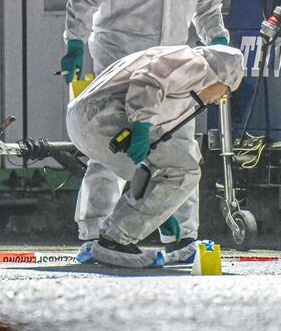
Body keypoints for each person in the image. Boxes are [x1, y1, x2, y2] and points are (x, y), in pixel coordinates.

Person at [61, 0, 229, 258]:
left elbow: (209, 9)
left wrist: (218, 44)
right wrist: (75, 41)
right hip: (120, 62)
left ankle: (183, 241)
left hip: (172, 68)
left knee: (181, 146)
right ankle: (95, 234)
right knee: (114, 147)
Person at [67, 45, 244, 268]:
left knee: (158, 171)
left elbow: (148, 173)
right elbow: (148, 78)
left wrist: (158, 212)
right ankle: (114, 240)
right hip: (103, 117)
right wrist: (141, 125)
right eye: (226, 92)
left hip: (88, 121)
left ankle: (114, 239)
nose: (219, 100)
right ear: (223, 77)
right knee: (184, 169)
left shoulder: (183, 76)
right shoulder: (198, 65)